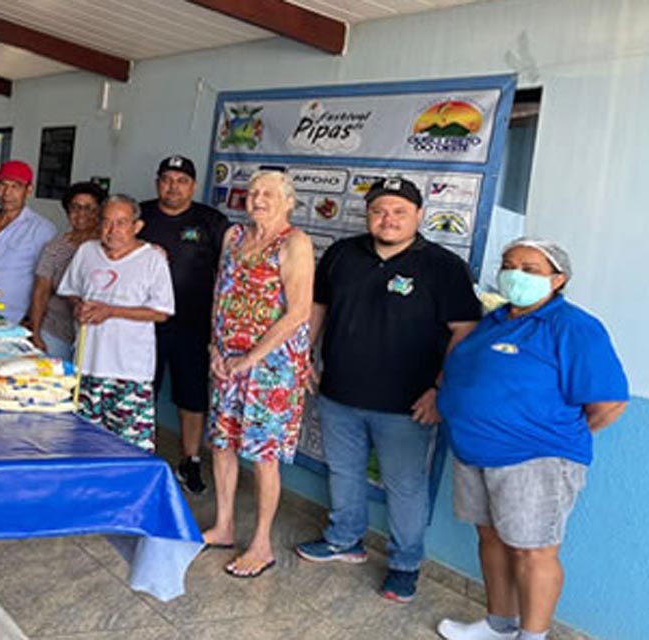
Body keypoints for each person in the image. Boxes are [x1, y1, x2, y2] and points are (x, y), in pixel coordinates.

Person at [294, 177, 482, 603]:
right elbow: (318, 306)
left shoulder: (442, 265)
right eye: (379, 210)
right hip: (339, 391)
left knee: (405, 486)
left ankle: (404, 564)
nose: (388, 219)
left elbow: (464, 329)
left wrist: (439, 389)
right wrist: (302, 356)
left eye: (399, 211)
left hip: (408, 404)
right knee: (343, 472)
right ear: (368, 214)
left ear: (418, 215)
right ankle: (344, 540)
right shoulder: (343, 253)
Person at [435, 238, 628, 640]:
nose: (515, 274)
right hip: (474, 451)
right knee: (489, 536)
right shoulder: (494, 320)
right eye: (509, 265)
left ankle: (533, 635)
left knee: (533, 549)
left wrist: (548, 437)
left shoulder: (574, 327)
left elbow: (608, 404)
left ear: (557, 280)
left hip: (535, 459)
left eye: (530, 268)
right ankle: (498, 625)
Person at [201, 170, 313, 579]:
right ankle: (224, 524)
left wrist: (250, 358)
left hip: (271, 369)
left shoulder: (295, 243)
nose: (258, 199)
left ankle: (262, 543)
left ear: (288, 201)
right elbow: (220, 295)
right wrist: (216, 347)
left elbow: (299, 312)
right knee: (221, 443)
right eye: (252, 192)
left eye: (268, 193)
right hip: (227, 361)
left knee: (264, 455)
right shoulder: (233, 237)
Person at [139, 155, 230, 494]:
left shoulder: (211, 221)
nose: (173, 186)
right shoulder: (140, 215)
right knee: (141, 389)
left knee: (191, 398)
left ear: (192, 185)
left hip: (193, 326)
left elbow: (228, 273)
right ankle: (140, 453)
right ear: (157, 182)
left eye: (181, 180)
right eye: (166, 179)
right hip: (144, 324)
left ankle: (189, 460)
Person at [57, 195, 174, 452]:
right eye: (107, 222)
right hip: (86, 366)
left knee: (130, 449)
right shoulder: (87, 251)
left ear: (137, 226)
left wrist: (111, 311)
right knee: (82, 444)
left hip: (129, 372)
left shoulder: (152, 259)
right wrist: (78, 305)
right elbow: (70, 290)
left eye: (121, 223)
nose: (112, 230)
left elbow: (162, 311)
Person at [0, 160, 56, 322]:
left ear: (29, 190)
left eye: (16, 187)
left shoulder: (43, 230)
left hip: (14, 318)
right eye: (3, 185)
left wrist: (34, 321)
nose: (7, 193)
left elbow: (45, 284)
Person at [25, 182, 105, 359]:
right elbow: (41, 292)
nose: (81, 214)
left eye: (89, 208)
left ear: (99, 212)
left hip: (96, 337)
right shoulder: (55, 248)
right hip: (56, 332)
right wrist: (36, 332)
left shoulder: (108, 248)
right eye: (75, 207)